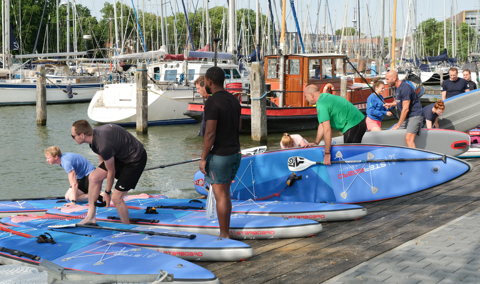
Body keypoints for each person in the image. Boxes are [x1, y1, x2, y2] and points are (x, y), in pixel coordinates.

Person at [71, 120, 147, 225]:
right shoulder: (93, 141)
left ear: (82, 135)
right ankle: (91, 217)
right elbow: (102, 163)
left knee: (116, 198)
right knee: (93, 177)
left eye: (73, 136)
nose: (72, 138)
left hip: (135, 159)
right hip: (121, 156)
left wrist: (107, 192)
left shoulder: (103, 145)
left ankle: (127, 227)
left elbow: (111, 171)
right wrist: (98, 183)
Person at [199, 66, 242, 239]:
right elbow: (239, 126)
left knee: (220, 196)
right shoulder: (234, 100)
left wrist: (203, 158)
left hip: (220, 156)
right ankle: (226, 230)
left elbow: (210, 133)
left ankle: (224, 234)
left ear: (209, 81)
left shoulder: (212, 102)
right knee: (225, 193)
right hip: (235, 153)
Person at [304, 84, 366, 165]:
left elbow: (327, 130)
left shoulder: (321, 104)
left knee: (350, 158)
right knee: (351, 156)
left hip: (354, 124)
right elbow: (322, 125)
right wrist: (316, 142)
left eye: (305, 96)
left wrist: (327, 153)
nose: (305, 99)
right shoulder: (324, 97)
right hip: (358, 122)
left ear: (311, 95)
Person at [383, 70, 424, 148]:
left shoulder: (405, 88)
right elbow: (399, 101)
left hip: (415, 115)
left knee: (409, 139)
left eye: (387, 79)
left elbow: (405, 109)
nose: (386, 81)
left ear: (394, 78)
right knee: (392, 132)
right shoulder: (397, 88)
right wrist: (391, 104)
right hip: (407, 117)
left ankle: (414, 159)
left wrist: (398, 125)